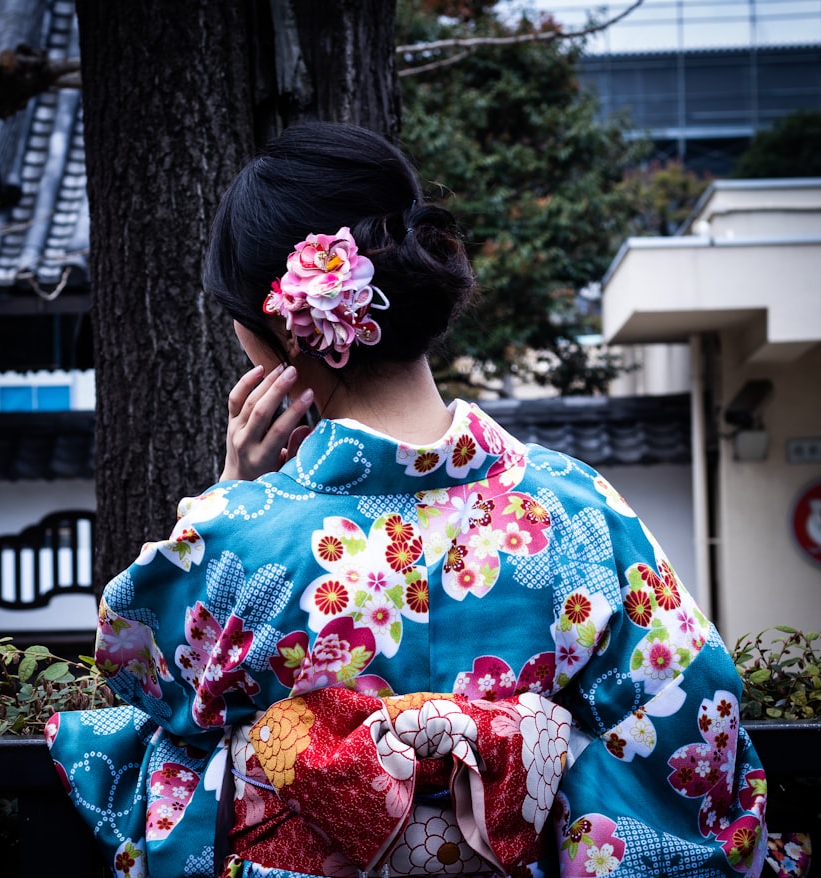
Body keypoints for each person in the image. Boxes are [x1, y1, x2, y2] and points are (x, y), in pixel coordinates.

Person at [46, 121, 768, 878]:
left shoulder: (236, 537)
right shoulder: (578, 508)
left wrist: (233, 495)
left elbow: (148, 686)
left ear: (279, 329)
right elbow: (697, 708)